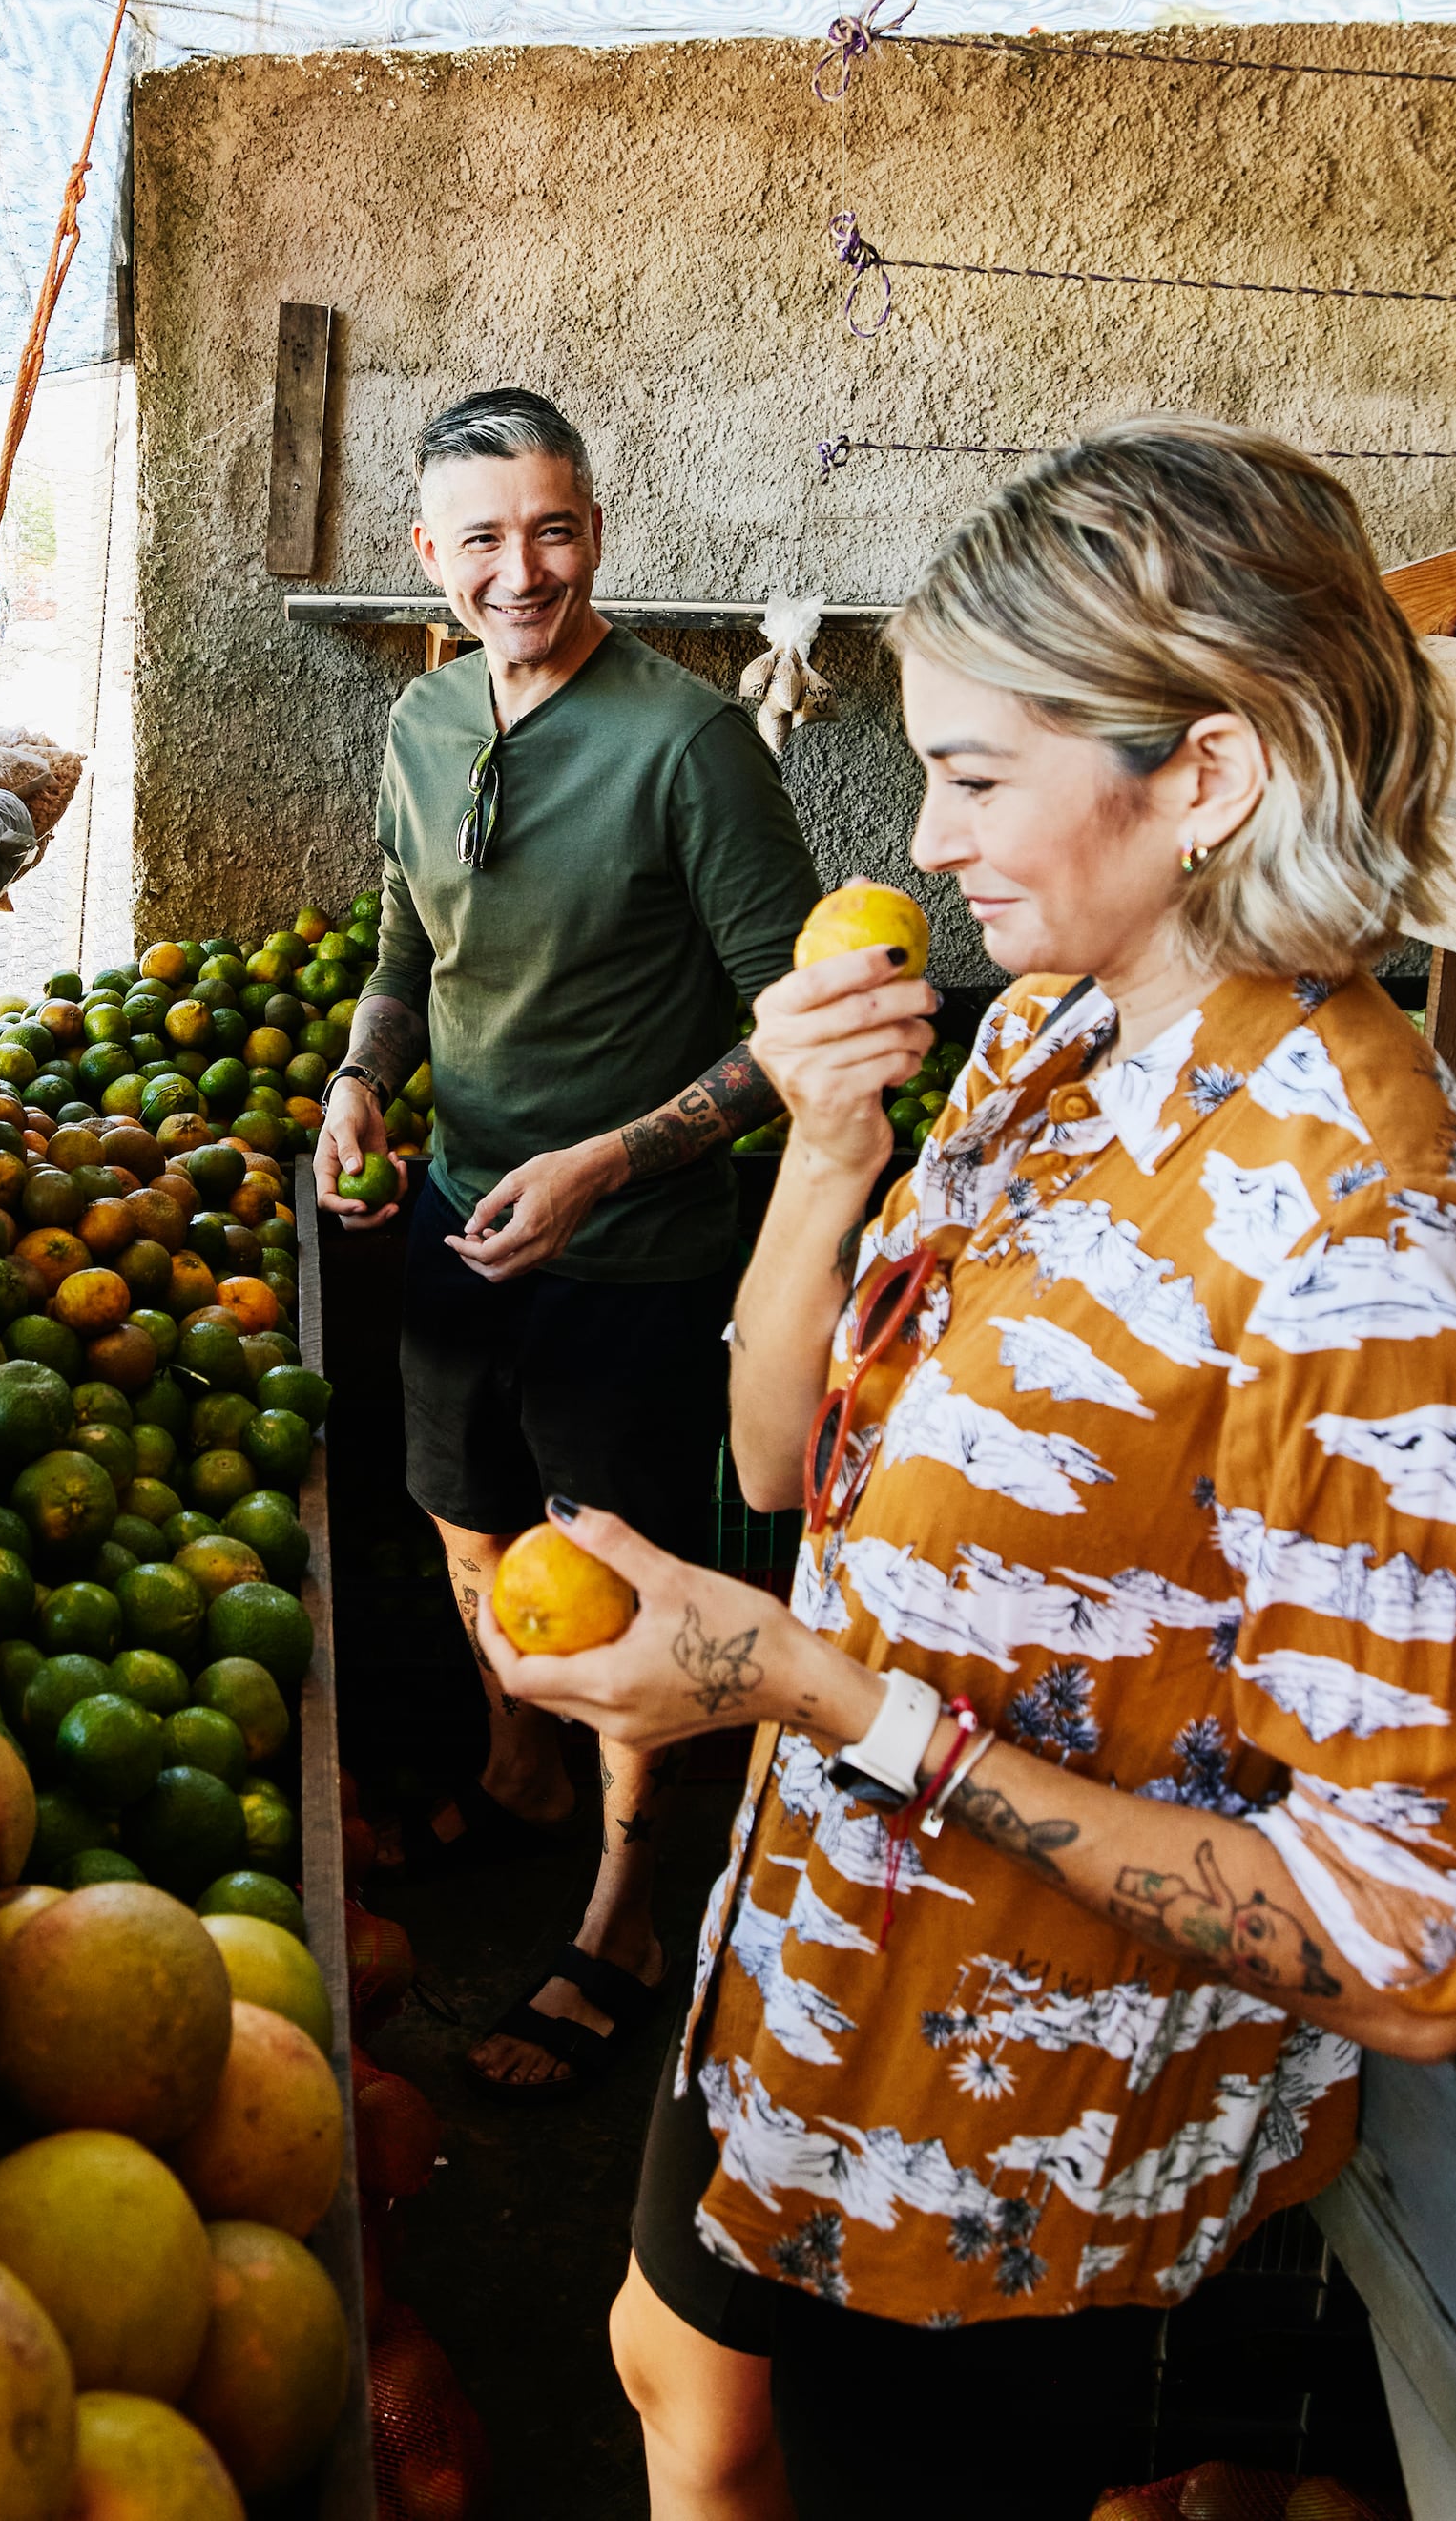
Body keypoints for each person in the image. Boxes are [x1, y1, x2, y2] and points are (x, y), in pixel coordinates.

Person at [482, 420, 1456, 2518]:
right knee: (676, 2382)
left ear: (1210, 773)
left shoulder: (1364, 1240)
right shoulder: (1056, 1040)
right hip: (810, 1969)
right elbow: (783, 1462)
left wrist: (812, 1694)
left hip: (1012, 2146)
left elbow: (1411, 1946)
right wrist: (825, 1152)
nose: (923, 835)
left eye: (976, 778)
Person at [313, 386, 823, 2095]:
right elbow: (408, 946)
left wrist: (610, 1163)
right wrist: (363, 1081)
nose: (520, 571)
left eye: (552, 530)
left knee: (618, 1589)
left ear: (595, 530)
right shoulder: (422, 722)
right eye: (483, 540)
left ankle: (624, 1914)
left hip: (634, 1256)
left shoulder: (690, 746)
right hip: (458, 1217)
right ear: (428, 554)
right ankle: (519, 1775)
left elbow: (797, 1033)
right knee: (467, 1528)